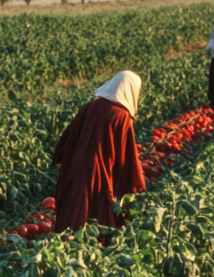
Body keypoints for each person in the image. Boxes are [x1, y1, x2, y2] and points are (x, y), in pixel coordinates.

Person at [51, 70, 146, 233]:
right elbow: (127, 157)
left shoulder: (89, 107)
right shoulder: (121, 117)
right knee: (97, 217)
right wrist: (138, 186)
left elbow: (68, 139)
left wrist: (65, 159)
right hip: (99, 174)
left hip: (75, 168)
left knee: (73, 210)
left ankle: (66, 247)